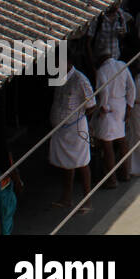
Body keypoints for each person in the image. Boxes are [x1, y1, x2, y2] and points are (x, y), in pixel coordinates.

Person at [49, 63, 95, 213]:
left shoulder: (80, 80)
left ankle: (87, 200)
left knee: (82, 163)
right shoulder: (59, 78)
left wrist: (76, 118)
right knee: (66, 164)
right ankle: (66, 198)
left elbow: (91, 105)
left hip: (76, 129)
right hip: (61, 130)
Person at [93, 50, 136, 188]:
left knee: (107, 144)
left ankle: (111, 180)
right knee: (122, 139)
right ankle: (126, 173)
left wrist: (102, 106)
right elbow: (132, 87)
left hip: (109, 108)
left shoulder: (101, 71)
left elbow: (104, 91)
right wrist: (129, 105)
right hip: (121, 105)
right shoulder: (122, 65)